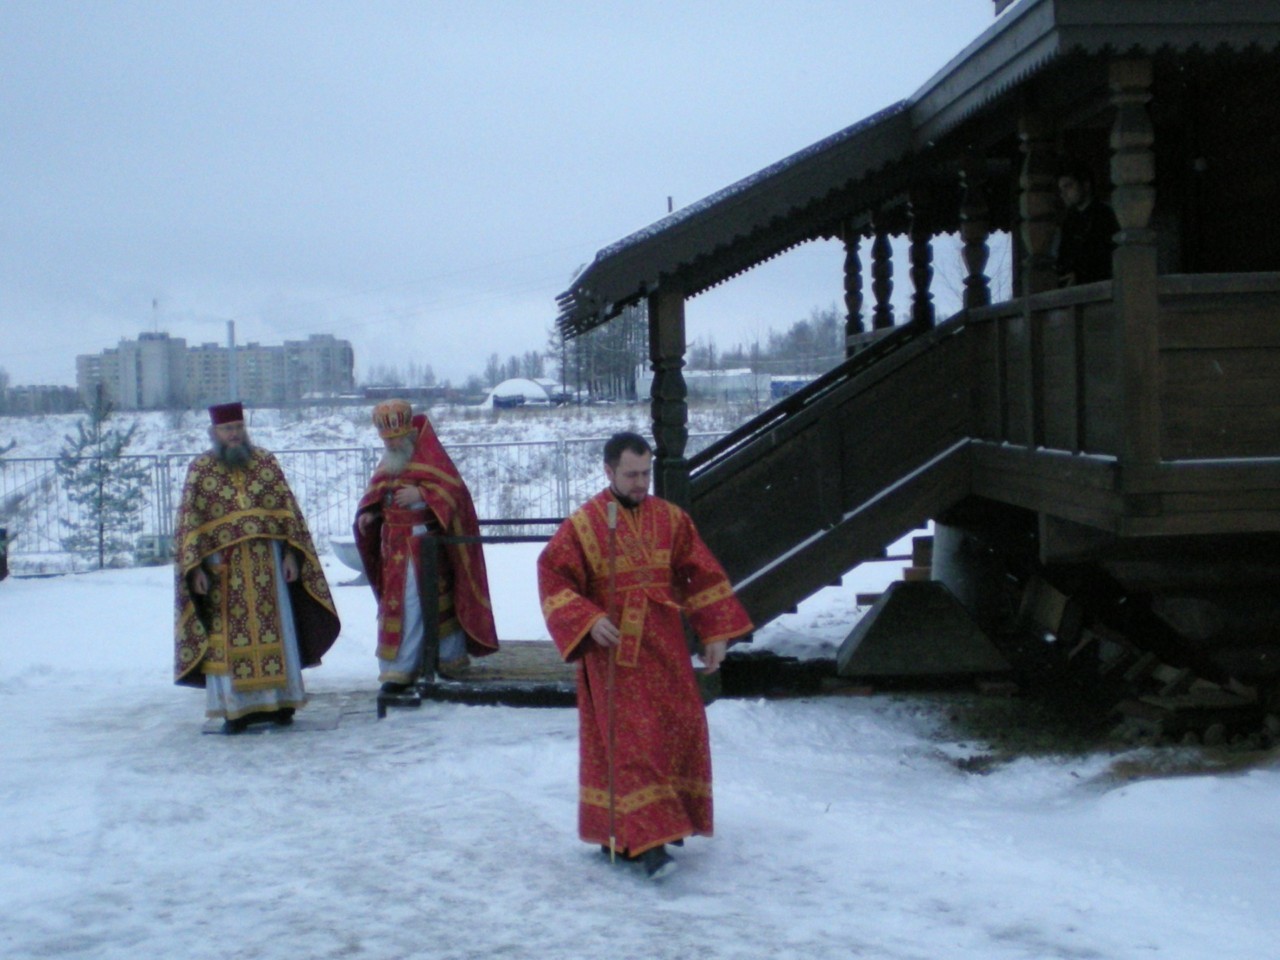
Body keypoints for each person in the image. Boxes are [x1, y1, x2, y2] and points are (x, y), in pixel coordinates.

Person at [537, 431, 753, 880]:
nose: (640, 483)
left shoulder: (671, 520)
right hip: (614, 653)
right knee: (631, 743)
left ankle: (648, 828)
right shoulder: (584, 525)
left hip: (665, 647)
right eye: (631, 474)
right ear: (609, 471)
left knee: (677, 730)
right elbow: (553, 578)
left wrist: (715, 631)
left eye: (645, 473)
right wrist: (588, 619)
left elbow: (702, 574)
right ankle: (648, 844)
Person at [173, 402, 340, 733]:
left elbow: (288, 513)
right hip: (224, 571)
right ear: (214, 433)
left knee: (278, 632)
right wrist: (196, 570)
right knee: (228, 639)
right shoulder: (201, 470)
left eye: (238, 428)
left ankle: (282, 704)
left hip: (268, 565)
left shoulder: (265, 462)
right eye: (227, 429)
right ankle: (236, 710)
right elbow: (190, 524)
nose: (234, 434)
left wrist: (292, 554)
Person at [354, 399, 498, 692]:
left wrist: (421, 493)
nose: (391, 444)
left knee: (423, 603)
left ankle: (438, 661)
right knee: (398, 608)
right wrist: (371, 513)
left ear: (407, 433)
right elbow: (380, 494)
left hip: (425, 548)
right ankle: (399, 669)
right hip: (393, 548)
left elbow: (455, 494)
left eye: (395, 438)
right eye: (386, 439)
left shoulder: (430, 455)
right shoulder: (390, 461)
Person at [1055, 160, 1121, 286]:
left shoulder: (1104, 216)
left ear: (1085, 185)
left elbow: (1106, 258)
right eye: (1061, 189)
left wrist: (1081, 275)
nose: (1063, 194)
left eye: (1068, 186)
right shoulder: (1069, 222)